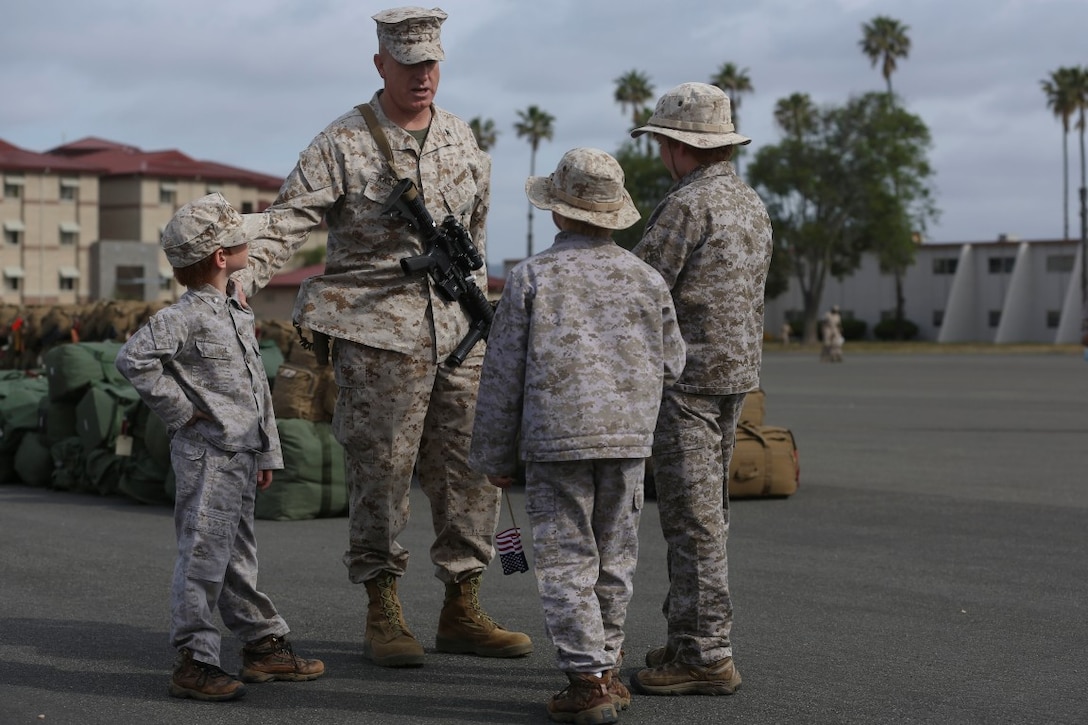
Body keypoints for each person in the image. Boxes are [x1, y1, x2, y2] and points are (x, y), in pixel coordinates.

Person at [230, 6, 532, 667]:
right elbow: (286, 223)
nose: (423, 76)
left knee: (471, 472)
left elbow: (474, 243)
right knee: (382, 474)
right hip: (376, 338)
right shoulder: (341, 143)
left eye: (432, 63)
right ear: (380, 65)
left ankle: (463, 605)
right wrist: (243, 277)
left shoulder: (462, 139)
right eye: (410, 64)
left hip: (457, 332)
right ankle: (382, 608)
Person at [469, 147, 686, 724]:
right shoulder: (647, 279)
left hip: (555, 441)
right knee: (616, 555)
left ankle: (586, 677)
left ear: (559, 213)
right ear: (614, 214)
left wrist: (493, 452)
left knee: (566, 559)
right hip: (628, 442)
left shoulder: (531, 277)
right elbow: (674, 363)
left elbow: (502, 373)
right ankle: (608, 666)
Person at [116, 193, 325, 701]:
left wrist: (267, 452)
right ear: (219, 256)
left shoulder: (235, 308)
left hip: (240, 455)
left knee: (236, 556)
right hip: (207, 455)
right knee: (203, 559)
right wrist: (183, 411)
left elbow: (257, 390)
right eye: (240, 239)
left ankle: (261, 646)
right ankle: (194, 660)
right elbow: (133, 359)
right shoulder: (185, 316)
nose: (248, 243)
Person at [627, 82, 773, 696]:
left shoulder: (687, 205)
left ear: (676, 144)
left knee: (693, 525)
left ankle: (707, 655)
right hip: (733, 379)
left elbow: (640, 285)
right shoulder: (749, 202)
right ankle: (690, 638)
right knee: (708, 516)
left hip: (685, 384)